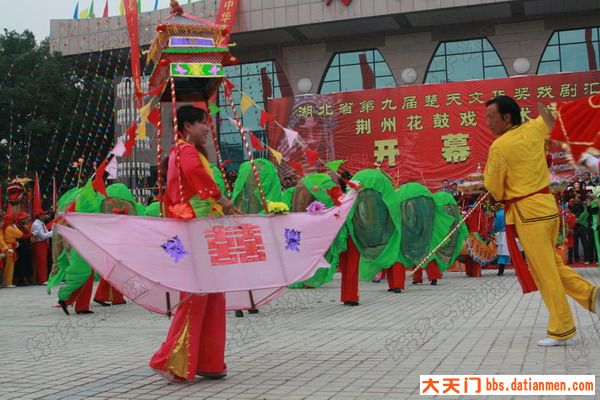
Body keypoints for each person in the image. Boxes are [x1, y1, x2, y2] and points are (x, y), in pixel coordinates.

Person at [483, 95, 599, 347]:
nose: (488, 123)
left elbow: (493, 187)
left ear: (506, 117)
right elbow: (550, 121)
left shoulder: (500, 147)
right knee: (551, 265)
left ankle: (562, 326)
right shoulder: (535, 128)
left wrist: (501, 193)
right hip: (547, 207)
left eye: (491, 118)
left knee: (544, 271)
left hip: (528, 212)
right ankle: (591, 296)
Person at [149, 105, 239, 383]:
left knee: (212, 295)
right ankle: (173, 361)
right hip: (196, 231)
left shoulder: (185, 152)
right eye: (203, 123)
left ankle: (209, 362)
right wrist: (221, 198)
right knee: (197, 296)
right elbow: (195, 181)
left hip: (202, 230)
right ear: (187, 126)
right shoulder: (185, 151)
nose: (207, 129)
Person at [31, 211, 53, 284]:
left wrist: (50, 233)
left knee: (43, 262)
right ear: (39, 216)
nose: (45, 216)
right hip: (39, 244)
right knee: (41, 262)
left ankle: (41, 278)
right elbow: (42, 236)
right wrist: (52, 232)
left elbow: (45, 233)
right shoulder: (37, 224)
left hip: (42, 244)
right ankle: (42, 279)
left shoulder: (41, 223)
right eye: (43, 214)